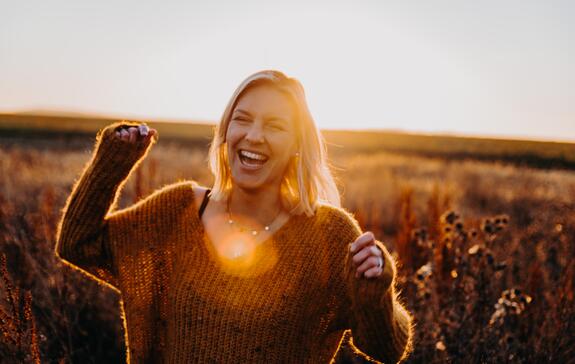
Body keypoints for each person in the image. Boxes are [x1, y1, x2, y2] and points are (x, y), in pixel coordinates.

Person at [55, 70, 413, 363]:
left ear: (297, 146)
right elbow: (78, 244)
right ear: (226, 132)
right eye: (242, 120)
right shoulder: (179, 211)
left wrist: (374, 291)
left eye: (275, 126)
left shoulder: (329, 235)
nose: (254, 136)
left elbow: (386, 348)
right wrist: (112, 162)